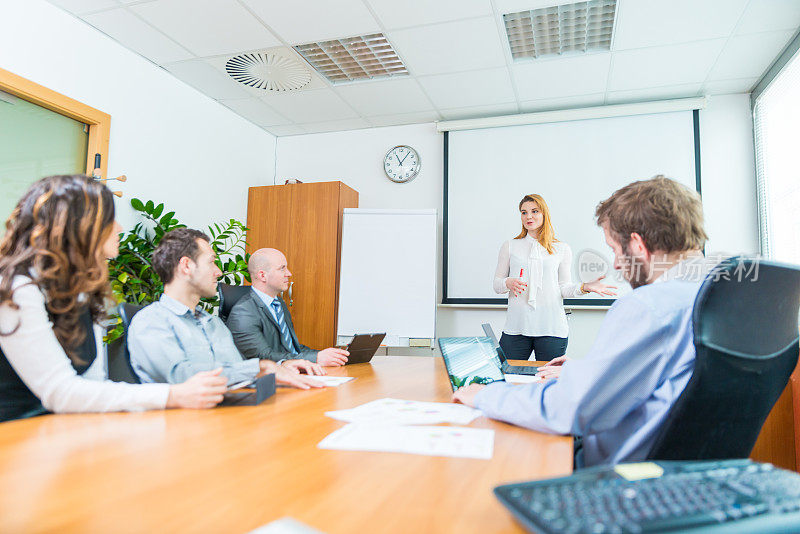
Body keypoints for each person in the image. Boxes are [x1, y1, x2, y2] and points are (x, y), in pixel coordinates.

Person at [455, 176, 713, 467]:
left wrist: (487, 395)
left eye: (615, 250)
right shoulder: (712, 295)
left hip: (605, 469)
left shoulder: (648, 307)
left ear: (637, 245)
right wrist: (587, 371)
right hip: (678, 468)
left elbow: (568, 409)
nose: (616, 264)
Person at [0, 175, 227, 423]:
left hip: (60, 429)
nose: (119, 228)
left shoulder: (85, 293)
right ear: (78, 225)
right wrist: (172, 395)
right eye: (109, 219)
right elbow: (60, 392)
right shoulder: (16, 288)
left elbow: (94, 383)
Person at [128, 229, 326, 390]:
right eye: (211, 262)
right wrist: (261, 367)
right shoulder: (151, 321)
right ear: (186, 266)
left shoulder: (213, 323)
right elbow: (181, 377)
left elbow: (238, 373)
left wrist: (281, 367)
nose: (218, 271)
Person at [493, 193, 616, 361]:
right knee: (507, 376)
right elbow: (497, 285)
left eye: (535, 211)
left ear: (544, 213)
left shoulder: (561, 248)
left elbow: (564, 288)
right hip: (517, 328)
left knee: (550, 381)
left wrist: (585, 287)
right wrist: (507, 282)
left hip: (551, 329)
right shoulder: (510, 246)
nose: (529, 216)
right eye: (524, 212)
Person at [227, 248, 349, 366]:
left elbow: (293, 349)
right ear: (262, 276)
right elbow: (263, 357)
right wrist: (315, 359)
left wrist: (329, 356)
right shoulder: (243, 312)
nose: (289, 273)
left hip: (292, 374)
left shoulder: (278, 303)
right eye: (282, 269)